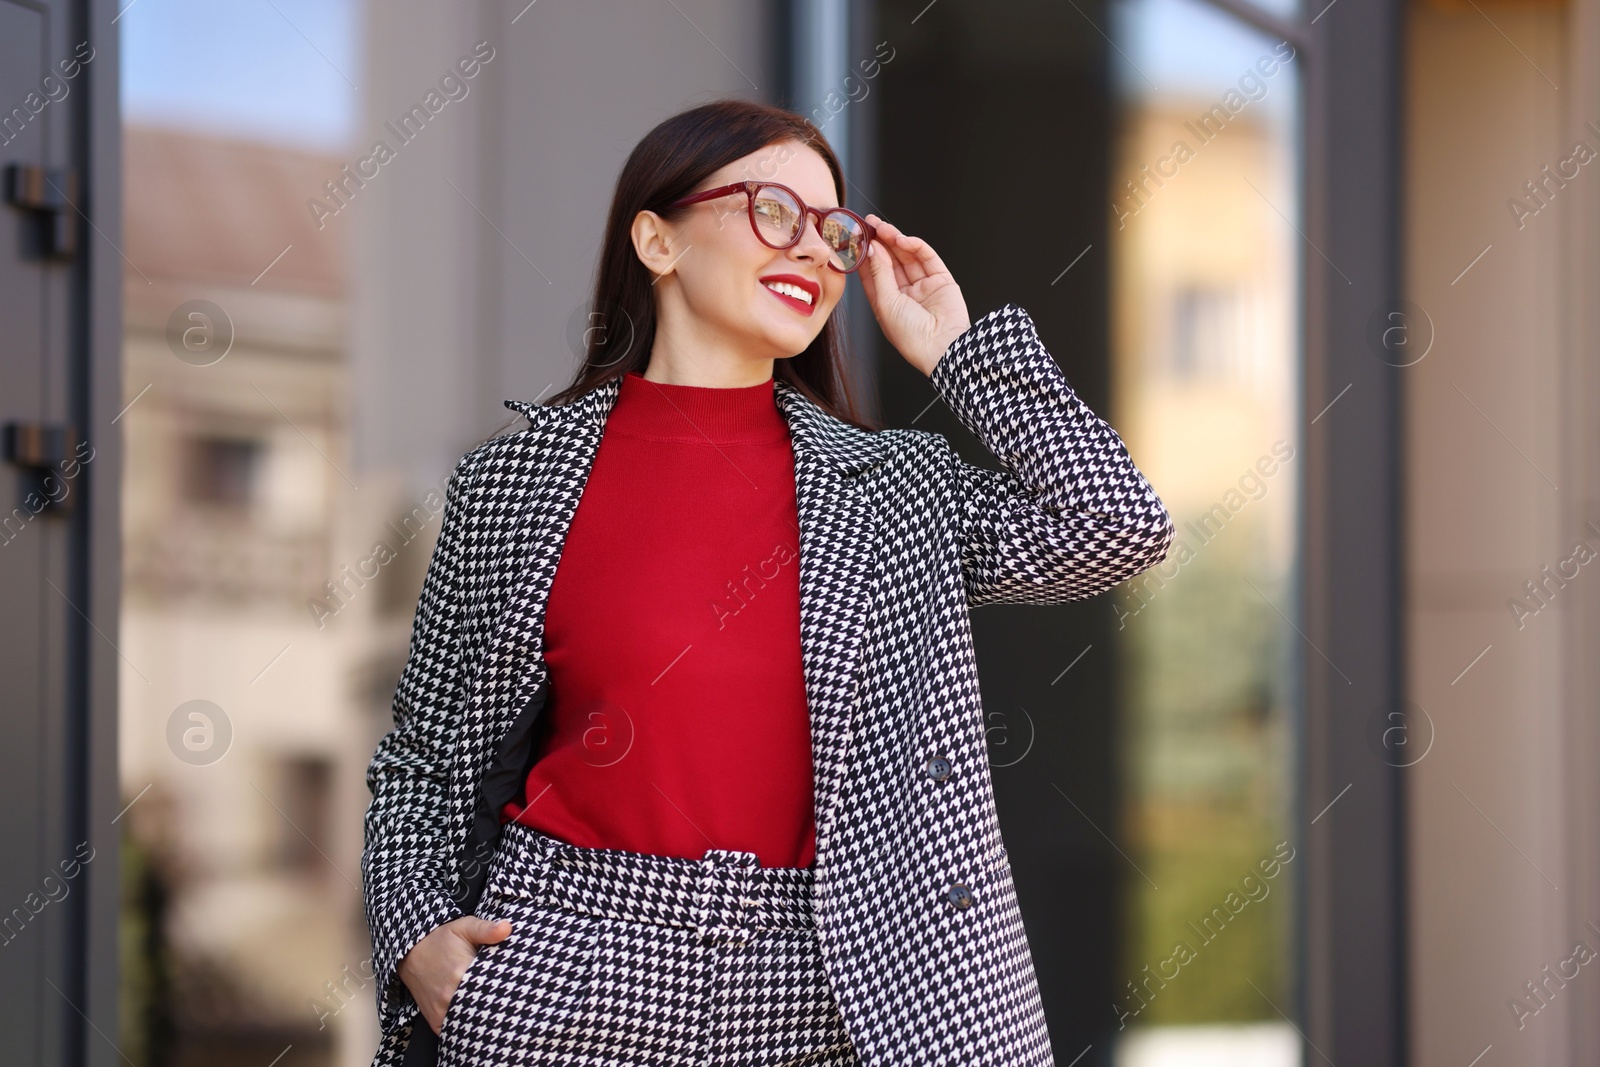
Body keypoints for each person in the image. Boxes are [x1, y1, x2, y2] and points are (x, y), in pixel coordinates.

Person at [361, 98, 1175, 1067]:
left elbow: (1117, 523)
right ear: (656, 240)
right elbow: (420, 761)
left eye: (832, 231)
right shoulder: (515, 481)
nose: (814, 252)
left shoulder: (894, 490)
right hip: (566, 967)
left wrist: (962, 354)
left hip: (839, 986)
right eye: (771, 213)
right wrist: (414, 934)